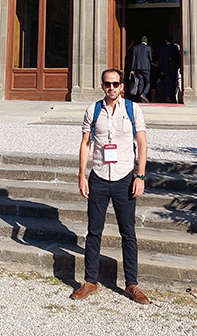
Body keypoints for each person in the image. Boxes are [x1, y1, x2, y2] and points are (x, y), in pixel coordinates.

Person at [71, 68, 150, 304]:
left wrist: (140, 176)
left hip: (124, 178)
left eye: (115, 83)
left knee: (128, 233)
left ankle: (132, 284)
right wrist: (81, 176)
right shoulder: (93, 110)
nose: (111, 87)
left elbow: (143, 144)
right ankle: (90, 281)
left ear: (122, 86)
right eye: (107, 84)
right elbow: (85, 144)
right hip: (98, 177)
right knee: (94, 231)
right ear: (102, 86)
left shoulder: (133, 109)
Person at [130, 36, 153, 103]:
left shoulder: (136, 48)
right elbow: (150, 58)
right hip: (146, 67)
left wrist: (132, 69)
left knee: (141, 82)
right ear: (146, 41)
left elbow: (134, 59)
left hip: (138, 67)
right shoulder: (148, 48)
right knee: (148, 82)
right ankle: (143, 94)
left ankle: (140, 97)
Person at [157, 35, 180, 103]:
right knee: (173, 82)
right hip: (173, 68)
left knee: (167, 83)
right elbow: (177, 57)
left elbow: (161, 59)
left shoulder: (163, 48)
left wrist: (161, 69)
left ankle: (167, 96)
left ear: (166, 40)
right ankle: (172, 97)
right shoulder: (174, 47)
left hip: (166, 68)